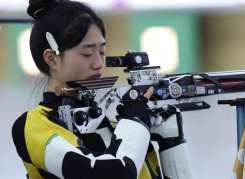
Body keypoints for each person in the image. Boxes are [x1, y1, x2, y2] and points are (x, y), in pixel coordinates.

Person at [12, 0, 193, 179]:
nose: (98, 64)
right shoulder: (32, 127)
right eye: (87, 54)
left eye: (102, 53)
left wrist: (172, 142)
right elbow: (114, 172)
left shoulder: (117, 129)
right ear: (52, 59)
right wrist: (136, 122)